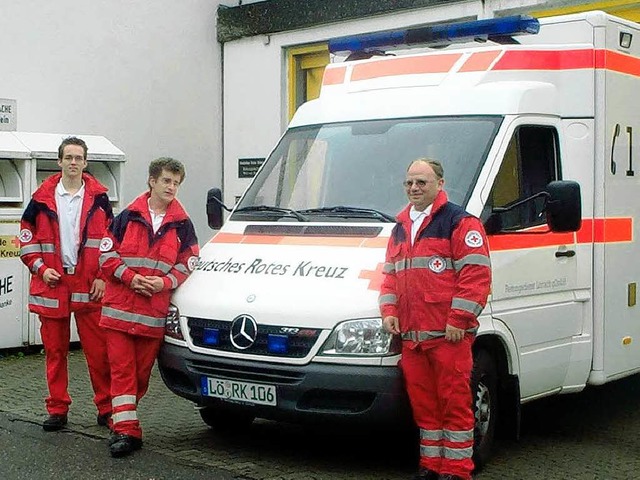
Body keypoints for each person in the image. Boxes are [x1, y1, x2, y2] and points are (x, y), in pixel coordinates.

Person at [380, 159, 492, 480]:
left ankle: (456, 471)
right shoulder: (400, 227)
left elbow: (476, 275)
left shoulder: (461, 223)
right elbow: (389, 275)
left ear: (440, 184)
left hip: (449, 337)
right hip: (413, 340)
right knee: (425, 407)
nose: (414, 188)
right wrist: (389, 312)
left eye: (422, 183)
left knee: (454, 404)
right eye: (410, 183)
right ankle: (431, 468)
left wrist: (459, 319)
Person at [98, 157, 199, 458]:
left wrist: (164, 283)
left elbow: (190, 262)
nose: (172, 187)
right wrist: (130, 278)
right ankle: (126, 432)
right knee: (121, 372)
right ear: (152, 181)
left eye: (176, 183)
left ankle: (123, 420)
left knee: (141, 377)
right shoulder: (126, 217)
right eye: (167, 180)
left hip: (151, 315)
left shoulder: (183, 225)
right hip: (118, 311)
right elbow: (105, 256)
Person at [19, 136, 113, 431]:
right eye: (68, 157)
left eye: (78, 158)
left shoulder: (99, 199)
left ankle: (107, 408)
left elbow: (111, 242)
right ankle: (57, 409)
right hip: (53, 282)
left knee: (98, 353)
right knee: (55, 352)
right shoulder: (40, 199)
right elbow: (25, 238)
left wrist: (102, 276)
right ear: (59, 162)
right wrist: (40, 269)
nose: (73, 162)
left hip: (88, 281)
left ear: (86, 163)